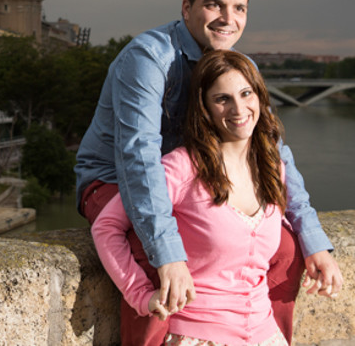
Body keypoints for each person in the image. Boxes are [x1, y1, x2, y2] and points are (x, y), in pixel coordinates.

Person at [75, 0, 341, 345]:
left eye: (239, 8)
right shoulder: (148, 58)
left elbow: (274, 154)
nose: (227, 18)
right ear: (187, 7)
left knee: (286, 252)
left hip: (193, 178)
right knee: (150, 252)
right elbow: (139, 158)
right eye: (213, 4)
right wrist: (167, 252)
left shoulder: (237, 68)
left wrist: (314, 239)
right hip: (113, 179)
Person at [92, 50, 338, 346]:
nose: (239, 108)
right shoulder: (181, 168)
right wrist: (141, 296)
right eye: (222, 99)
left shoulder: (273, 168)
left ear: (259, 97)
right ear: (205, 109)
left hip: (266, 334)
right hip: (199, 335)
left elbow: (293, 215)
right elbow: (106, 227)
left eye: (246, 93)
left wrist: (318, 249)